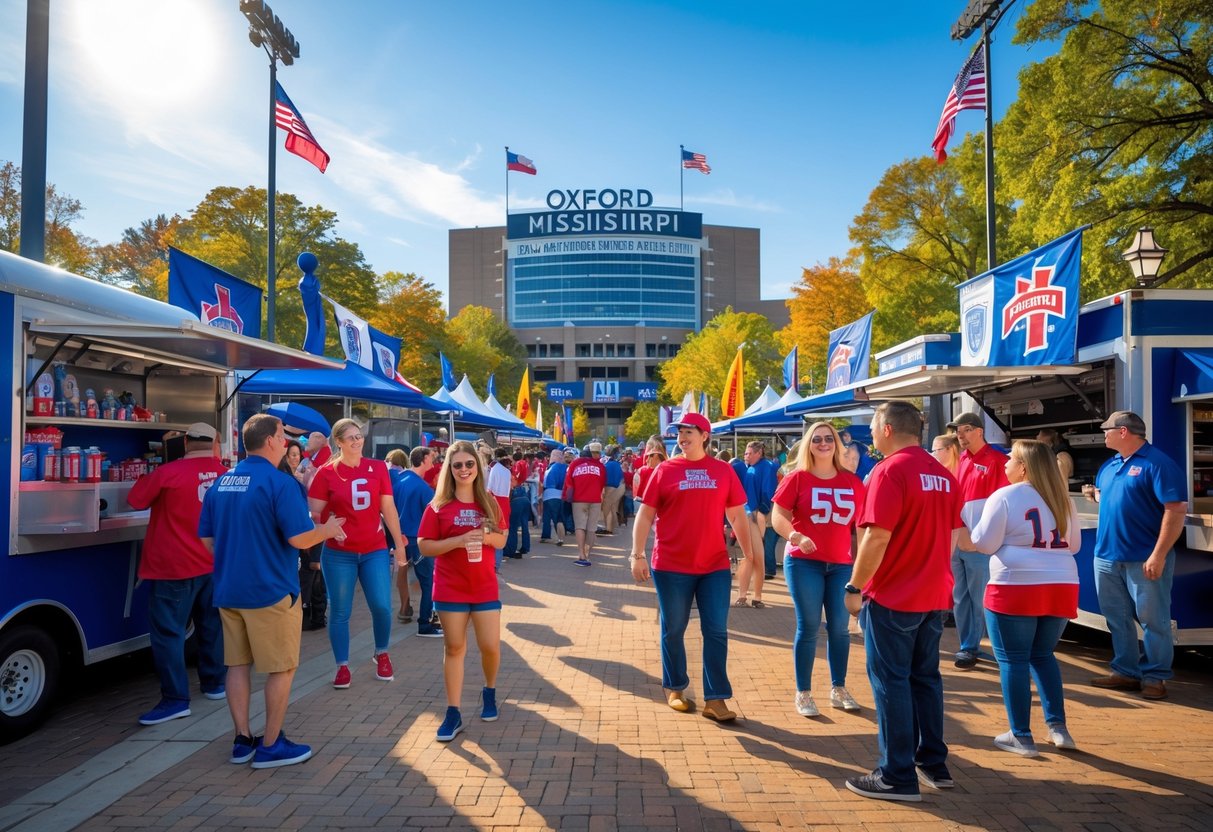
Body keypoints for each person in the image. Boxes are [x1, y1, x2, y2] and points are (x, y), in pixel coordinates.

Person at [199, 414, 346, 768]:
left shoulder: (222, 482)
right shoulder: (282, 484)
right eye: (282, 436)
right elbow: (298, 538)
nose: (286, 442)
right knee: (280, 668)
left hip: (228, 589)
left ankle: (242, 739)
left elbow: (206, 540)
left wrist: (236, 558)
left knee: (237, 665)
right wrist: (327, 530)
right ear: (269, 441)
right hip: (270, 591)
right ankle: (270, 744)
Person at [843, 401, 962, 802]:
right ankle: (932, 762)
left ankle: (896, 775)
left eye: (874, 427)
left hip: (895, 593)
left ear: (888, 429)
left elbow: (877, 536)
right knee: (925, 678)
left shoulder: (889, 470)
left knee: (892, 682)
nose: (871, 436)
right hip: (934, 593)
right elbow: (951, 537)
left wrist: (854, 586)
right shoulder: (943, 474)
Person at [630, 414, 754, 723]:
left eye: (689, 431)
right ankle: (675, 687)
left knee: (716, 630)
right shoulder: (664, 471)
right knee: (673, 628)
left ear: (705, 436)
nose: (683, 436)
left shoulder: (723, 471)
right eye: (680, 432)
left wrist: (750, 555)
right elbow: (645, 516)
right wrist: (637, 554)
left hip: (713, 565)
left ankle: (716, 699)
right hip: (671, 565)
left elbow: (737, 515)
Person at [962, 439, 1082, 756]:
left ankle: (1021, 735)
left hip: (1015, 584)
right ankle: (1058, 729)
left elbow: (984, 544)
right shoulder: (1062, 498)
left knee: (1013, 660)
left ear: (1024, 466)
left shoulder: (1004, 496)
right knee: (1043, 656)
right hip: (1062, 582)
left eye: (1010, 459)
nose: (1004, 464)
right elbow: (1075, 546)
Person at [127, 422, 228, 725]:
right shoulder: (227, 476)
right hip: (214, 564)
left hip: (174, 568)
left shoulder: (168, 473)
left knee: (169, 633)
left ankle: (175, 699)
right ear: (214, 444)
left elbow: (135, 499)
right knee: (212, 627)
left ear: (185, 442)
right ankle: (214, 684)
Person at [1083, 411, 1186, 701]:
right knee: (1116, 618)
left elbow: (1175, 510)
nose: (1103, 434)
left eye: (1107, 429)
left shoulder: (1159, 464)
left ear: (1124, 431)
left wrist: (1159, 554)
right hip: (1106, 556)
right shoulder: (1110, 465)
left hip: (1144, 557)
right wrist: (1095, 495)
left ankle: (1155, 677)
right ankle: (1126, 672)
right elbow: (1116, 497)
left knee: (1154, 620)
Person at [771, 422, 865, 718]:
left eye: (828, 439)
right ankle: (804, 692)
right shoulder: (796, 478)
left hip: (841, 564)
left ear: (837, 444)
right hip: (803, 562)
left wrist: (863, 567)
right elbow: (778, 516)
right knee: (809, 625)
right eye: (817, 439)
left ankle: (838, 688)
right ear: (808, 445)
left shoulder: (852, 482)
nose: (823, 443)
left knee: (840, 628)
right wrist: (795, 536)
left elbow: (863, 528)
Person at [417, 440, 507, 742]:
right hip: (450, 587)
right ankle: (453, 712)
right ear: (450, 469)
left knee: (490, 646)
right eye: (458, 465)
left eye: (469, 464)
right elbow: (424, 546)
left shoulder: (489, 502)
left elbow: (503, 540)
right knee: (454, 648)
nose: (464, 469)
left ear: (477, 467)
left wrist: (485, 536)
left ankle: (490, 690)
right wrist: (457, 541)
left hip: (483, 587)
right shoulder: (438, 505)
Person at [308, 419, 407, 689]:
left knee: (382, 605)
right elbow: (312, 514)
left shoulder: (377, 468)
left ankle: (382, 652)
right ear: (338, 442)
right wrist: (325, 529)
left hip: (373, 548)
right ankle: (342, 665)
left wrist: (399, 544)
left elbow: (388, 508)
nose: (356, 441)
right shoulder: (326, 473)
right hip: (339, 552)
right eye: (350, 437)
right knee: (340, 610)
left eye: (358, 436)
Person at [948, 411, 1010, 669]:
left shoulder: (997, 460)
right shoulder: (962, 459)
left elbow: (1003, 504)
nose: (960, 436)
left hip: (978, 544)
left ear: (979, 431)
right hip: (959, 541)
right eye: (958, 431)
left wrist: (980, 537)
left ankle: (972, 647)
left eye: (965, 430)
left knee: (978, 597)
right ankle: (968, 645)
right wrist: (959, 531)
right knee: (961, 597)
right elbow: (958, 502)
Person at [392, 446, 443, 638]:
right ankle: (425, 623)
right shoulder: (422, 487)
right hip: (418, 540)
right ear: (423, 460)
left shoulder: (400, 480)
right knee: (427, 581)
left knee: (404, 578)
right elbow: (433, 517)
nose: (433, 461)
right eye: (431, 458)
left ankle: (407, 611)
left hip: (401, 539)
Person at [735, 441, 777, 608]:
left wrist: (762, 512)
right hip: (749, 513)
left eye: (750, 453)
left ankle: (750, 596)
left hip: (755, 513)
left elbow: (768, 490)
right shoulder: (752, 467)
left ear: (759, 453)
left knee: (753, 556)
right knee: (751, 556)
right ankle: (749, 596)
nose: (747, 455)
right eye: (746, 453)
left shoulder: (765, 467)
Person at [564, 442, 606, 567]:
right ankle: (587, 554)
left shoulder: (574, 465)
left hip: (579, 500)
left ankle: (581, 555)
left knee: (580, 527)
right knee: (592, 528)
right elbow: (603, 483)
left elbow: (568, 482)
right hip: (595, 499)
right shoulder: (600, 467)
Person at [385, 449, 415, 624]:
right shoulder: (407, 477)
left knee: (400, 570)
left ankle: (404, 607)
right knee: (406, 566)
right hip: (407, 529)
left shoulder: (384, 473)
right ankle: (406, 607)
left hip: (386, 529)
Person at [486, 447, 513, 570]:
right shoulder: (507, 471)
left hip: (494, 502)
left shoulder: (494, 469)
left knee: (491, 531)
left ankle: (492, 563)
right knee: (502, 532)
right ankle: (497, 563)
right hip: (505, 503)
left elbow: (489, 489)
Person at [504, 450, 531, 559]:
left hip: (516, 497)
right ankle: (525, 546)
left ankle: (511, 550)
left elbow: (513, 484)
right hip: (524, 494)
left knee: (513, 526)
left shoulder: (514, 468)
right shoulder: (524, 464)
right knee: (525, 524)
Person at [540, 449, 568, 544]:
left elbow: (544, 483)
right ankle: (561, 538)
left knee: (546, 517)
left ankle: (545, 536)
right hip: (558, 494)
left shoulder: (549, 468)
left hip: (547, 495)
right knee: (558, 518)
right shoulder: (564, 467)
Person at [600, 447, 625, 534]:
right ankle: (612, 527)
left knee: (607, 508)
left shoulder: (606, 465)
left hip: (610, 487)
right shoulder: (617, 464)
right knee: (614, 508)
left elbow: (603, 478)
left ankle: (608, 528)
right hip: (619, 487)